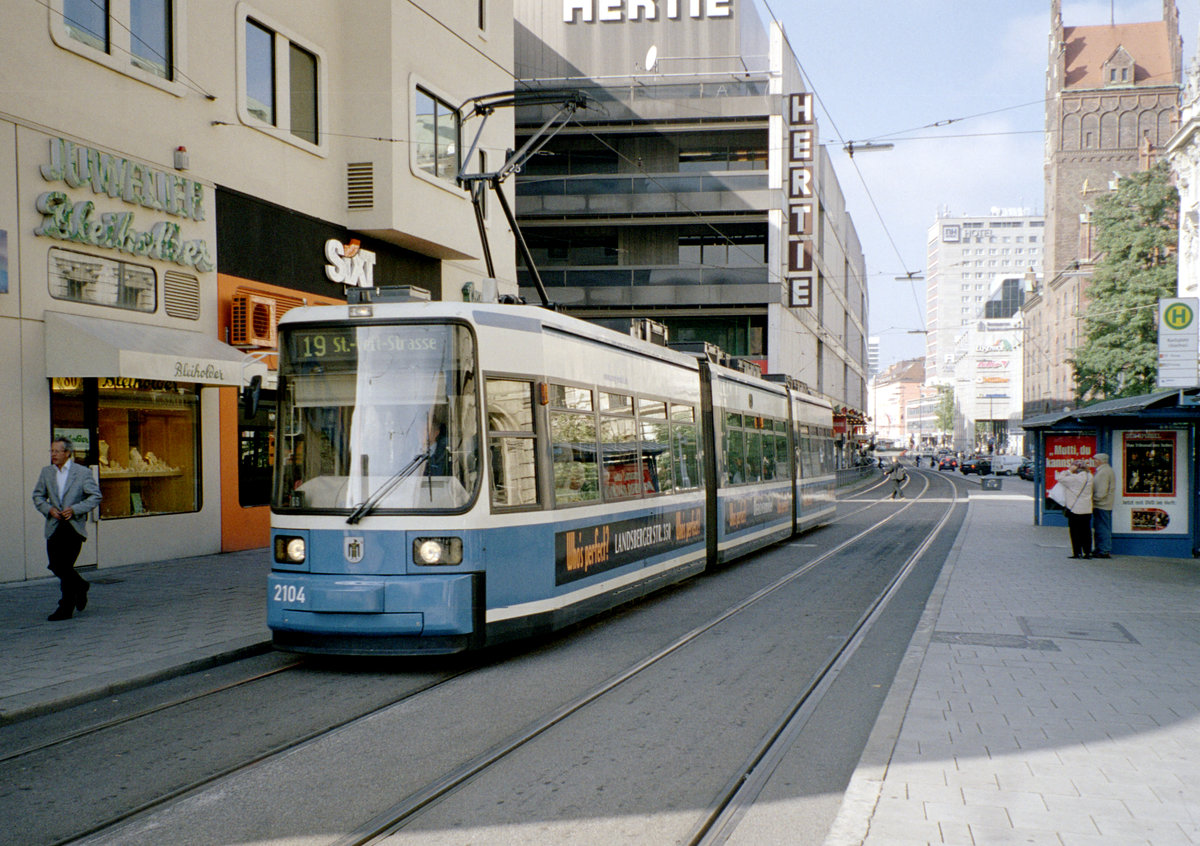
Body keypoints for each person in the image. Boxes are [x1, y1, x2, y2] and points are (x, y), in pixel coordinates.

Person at [32, 438, 103, 621]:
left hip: (73, 526)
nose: (53, 455)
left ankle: (65, 607)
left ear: (67, 453)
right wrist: (48, 509)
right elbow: (38, 496)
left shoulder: (82, 473)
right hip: (54, 525)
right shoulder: (46, 473)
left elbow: (95, 496)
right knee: (56, 565)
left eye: (57, 451)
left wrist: (75, 509)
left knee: (65, 566)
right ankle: (81, 585)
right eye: (52, 451)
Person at [1057, 459, 1094, 559]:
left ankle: (1077, 553)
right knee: (1086, 532)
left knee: (1075, 532)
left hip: (1075, 509)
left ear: (1076, 468)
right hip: (1087, 509)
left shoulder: (1075, 479)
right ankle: (1087, 552)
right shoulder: (1090, 477)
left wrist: (1068, 471)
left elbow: (1060, 478)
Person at [1091, 453, 1115, 558]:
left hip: (1102, 505)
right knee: (1100, 527)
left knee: (1102, 528)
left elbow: (1102, 491)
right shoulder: (1105, 470)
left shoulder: (1104, 472)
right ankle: (1100, 548)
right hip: (1103, 504)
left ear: (1101, 461)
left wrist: (1094, 499)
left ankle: (1104, 550)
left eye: (1096, 460)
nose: (1094, 462)